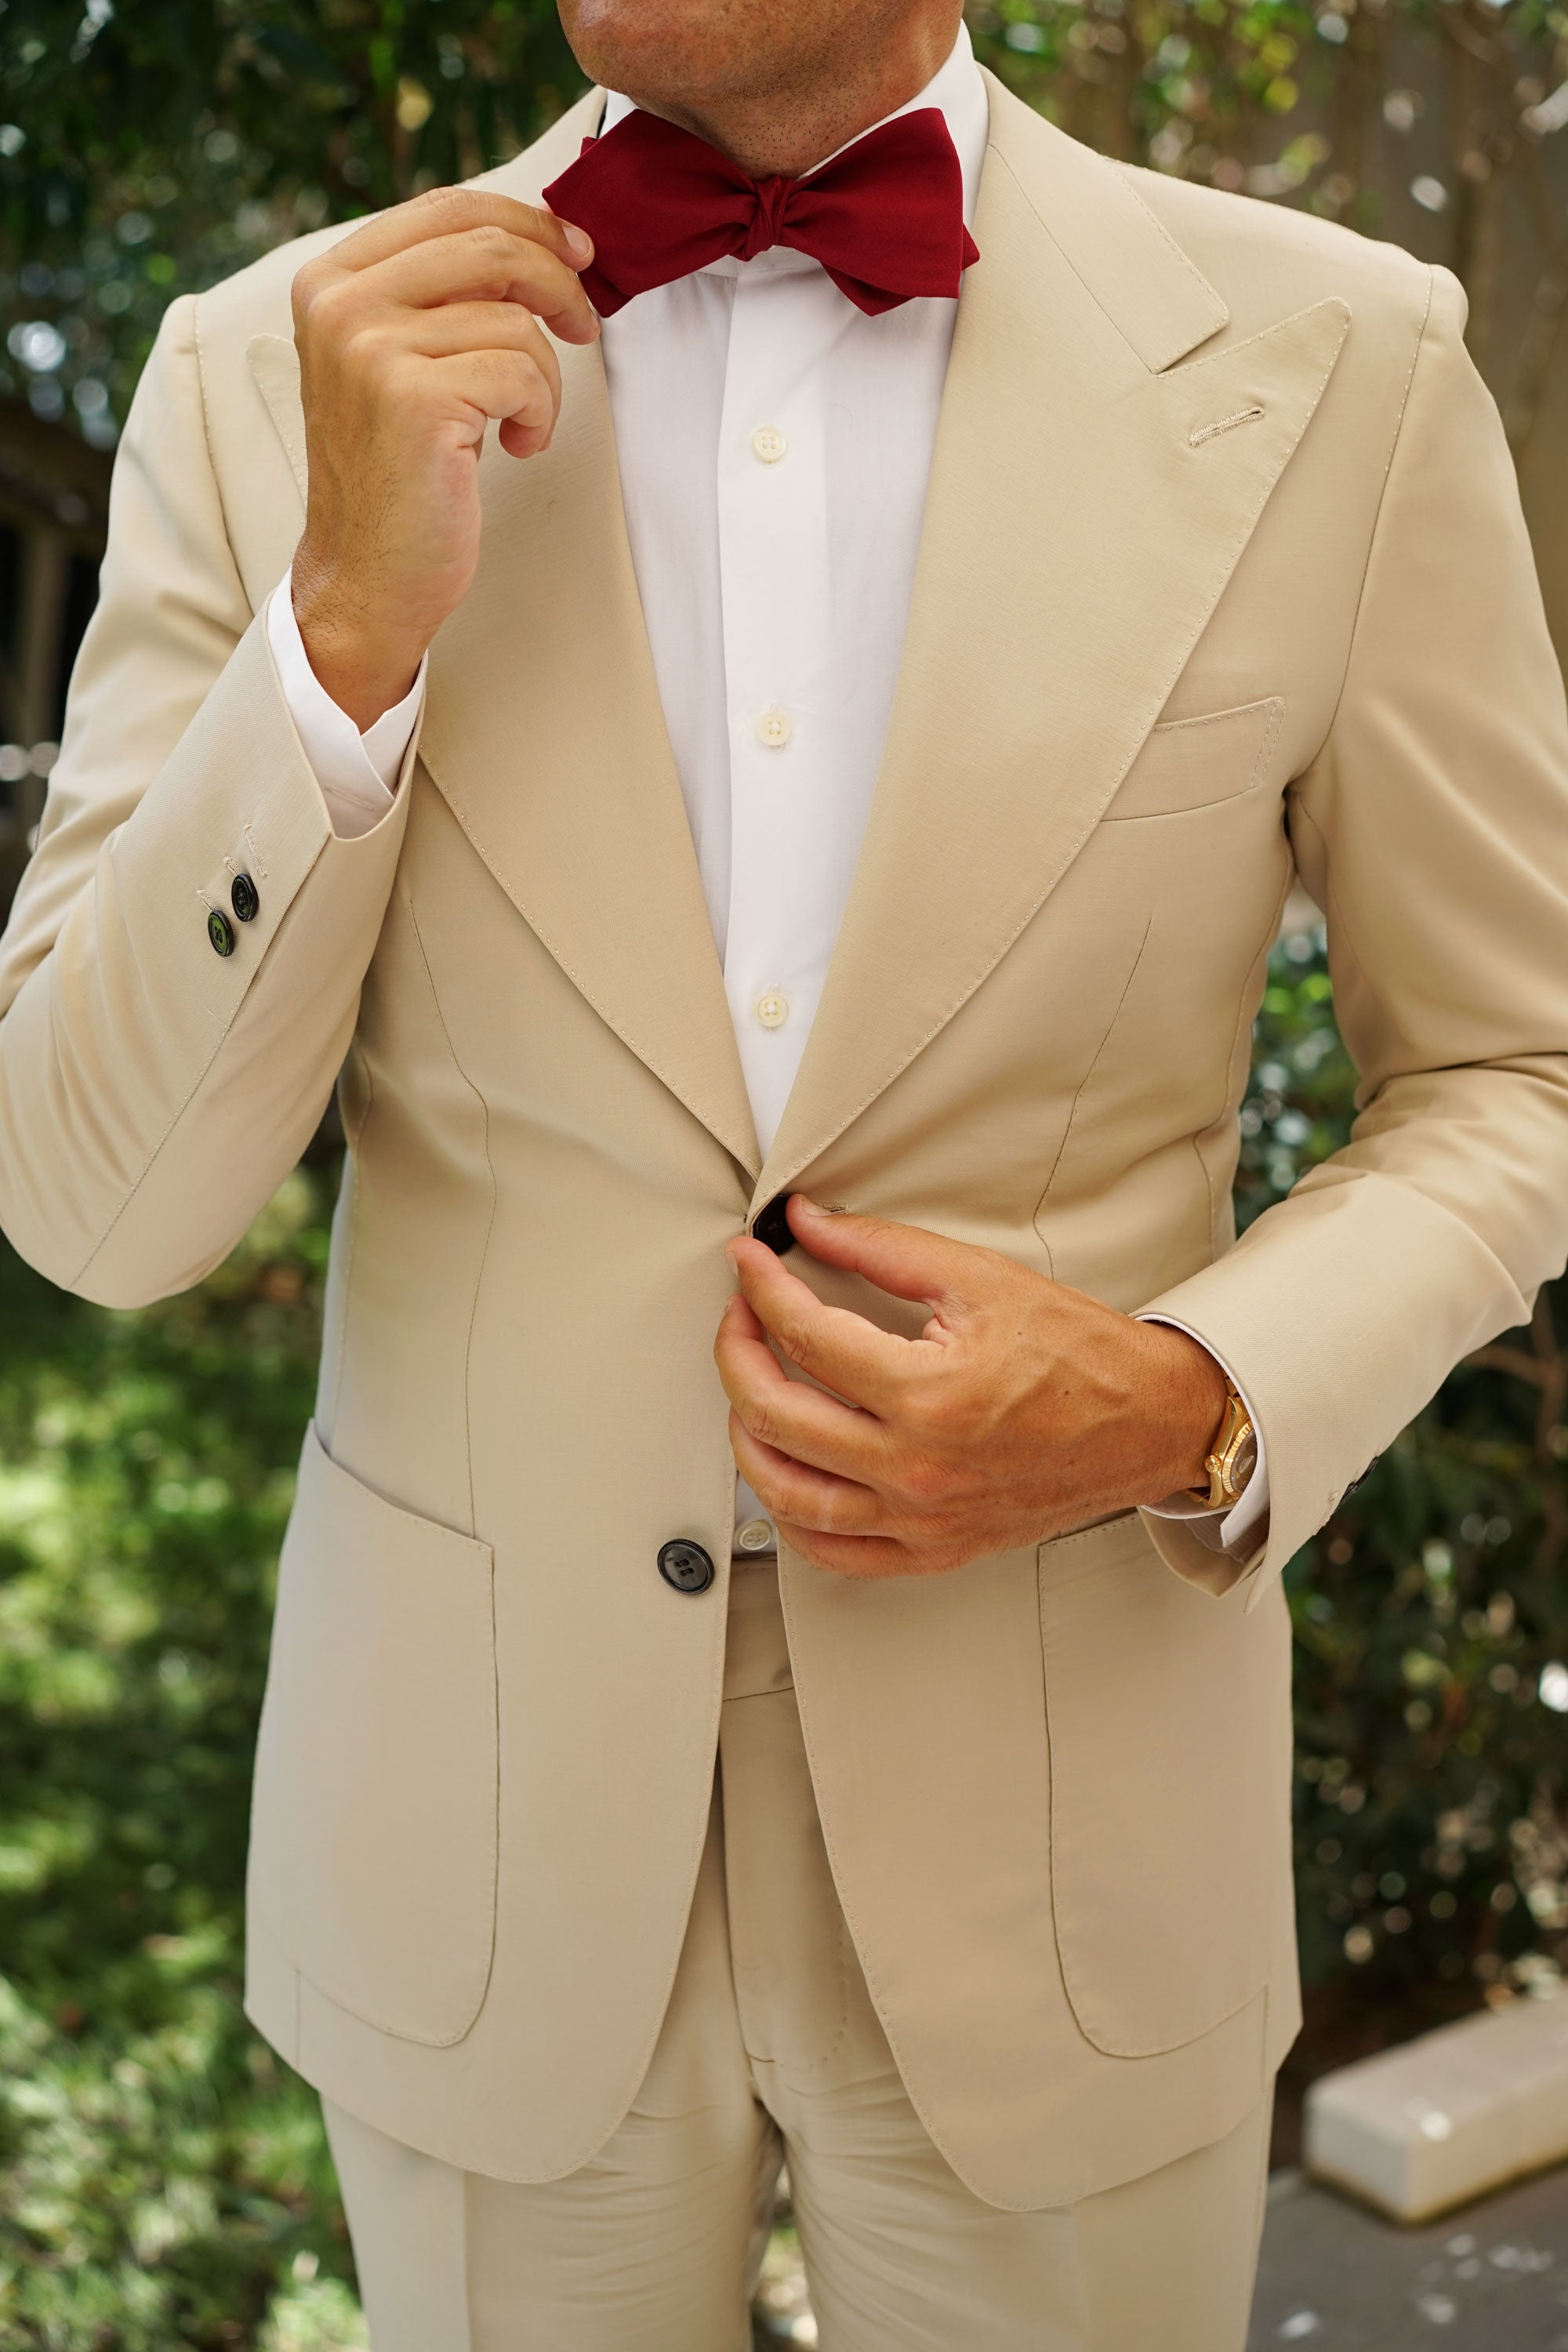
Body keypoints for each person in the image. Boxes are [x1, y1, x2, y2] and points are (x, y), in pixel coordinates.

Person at [4, 0, 1567, 2340]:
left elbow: (1517, 1072)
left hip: (1067, 1821)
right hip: (479, 1826)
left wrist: (1186, 1392)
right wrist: (335, 641)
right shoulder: (264, 376)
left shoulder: (1339, 363)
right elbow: (92, 1205)